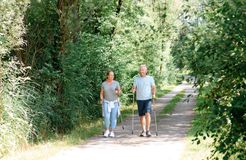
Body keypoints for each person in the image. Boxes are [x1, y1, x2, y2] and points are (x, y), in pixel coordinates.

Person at [132, 64, 156, 137]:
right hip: (139, 99)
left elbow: (153, 87)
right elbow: (134, 87)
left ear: (146, 71)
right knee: (141, 115)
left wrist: (154, 93)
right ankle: (143, 130)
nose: (141, 71)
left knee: (147, 113)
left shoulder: (150, 78)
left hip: (148, 98)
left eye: (143, 70)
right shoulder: (136, 78)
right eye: (140, 69)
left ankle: (148, 130)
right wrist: (133, 89)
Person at [100, 70, 121, 138]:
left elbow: (119, 93)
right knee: (106, 117)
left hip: (114, 102)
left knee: (113, 117)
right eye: (111, 75)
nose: (112, 76)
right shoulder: (104, 84)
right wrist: (101, 99)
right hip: (106, 102)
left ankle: (112, 131)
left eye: (113, 75)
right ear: (107, 76)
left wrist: (117, 92)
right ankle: (107, 130)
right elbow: (101, 93)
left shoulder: (116, 83)